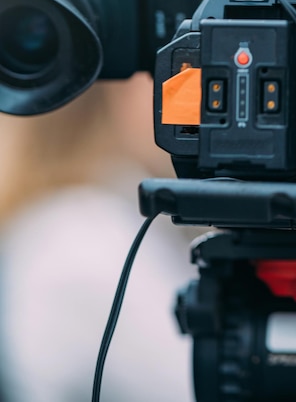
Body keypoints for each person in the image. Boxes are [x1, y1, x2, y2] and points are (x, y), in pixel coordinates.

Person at [0, 74, 198, 401]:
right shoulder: (80, 236)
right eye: (160, 70)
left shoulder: (63, 222)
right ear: (114, 93)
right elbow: (200, 386)